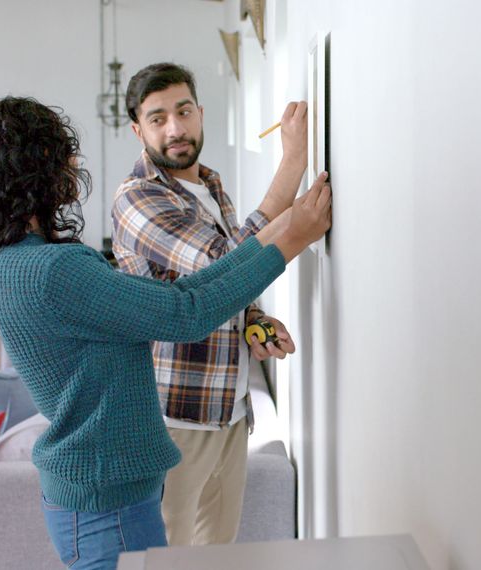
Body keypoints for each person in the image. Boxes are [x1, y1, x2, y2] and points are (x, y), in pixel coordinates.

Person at [0, 96, 331, 569]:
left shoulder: (17, 263)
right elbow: (185, 314)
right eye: (62, 149)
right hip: (108, 503)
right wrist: (286, 242)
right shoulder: (53, 270)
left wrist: (279, 236)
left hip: (99, 495)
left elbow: (181, 297)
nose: (73, 160)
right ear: (34, 165)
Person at [111, 62, 308, 545]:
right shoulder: (136, 199)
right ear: (138, 130)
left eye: (183, 111)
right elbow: (225, 261)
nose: (175, 128)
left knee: (217, 554)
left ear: (200, 113)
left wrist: (255, 322)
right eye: (157, 118)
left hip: (229, 408)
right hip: (173, 416)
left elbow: (226, 289)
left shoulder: (210, 186)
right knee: (169, 555)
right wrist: (293, 164)